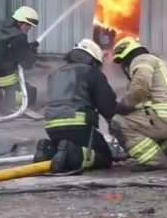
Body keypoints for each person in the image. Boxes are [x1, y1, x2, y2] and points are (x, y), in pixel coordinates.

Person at [108, 37, 167, 171]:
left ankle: (154, 162)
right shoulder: (156, 62)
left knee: (119, 122)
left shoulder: (141, 60)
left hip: (166, 116)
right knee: (143, 122)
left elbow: (140, 88)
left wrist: (124, 105)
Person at [33, 39, 117, 174]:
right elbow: (107, 105)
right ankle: (72, 153)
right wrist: (116, 124)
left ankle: (47, 150)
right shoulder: (92, 72)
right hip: (78, 126)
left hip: (52, 127)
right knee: (104, 156)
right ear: (93, 59)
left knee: (62, 147)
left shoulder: (54, 74)